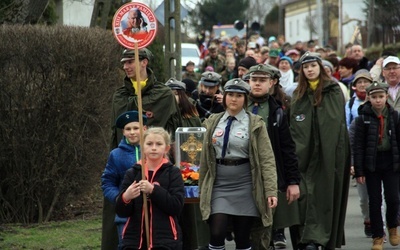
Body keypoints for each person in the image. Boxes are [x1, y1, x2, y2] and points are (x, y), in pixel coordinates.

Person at [104, 48, 181, 250]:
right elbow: (115, 136)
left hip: (160, 176)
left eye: (130, 61)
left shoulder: (163, 95)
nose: (126, 66)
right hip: (127, 183)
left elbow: (174, 131)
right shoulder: (120, 96)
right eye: (124, 63)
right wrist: (119, 196)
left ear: (144, 62)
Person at [199, 78, 278, 250]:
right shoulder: (213, 121)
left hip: (246, 184)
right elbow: (205, 159)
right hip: (219, 182)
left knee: (243, 236)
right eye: (230, 95)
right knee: (217, 232)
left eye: (239, 96)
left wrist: (271, 190)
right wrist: (201, 188)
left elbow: (267, 159)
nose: (234, 99)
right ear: (225, 96)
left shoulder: (255, 123)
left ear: (245, 99)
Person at [289, 52, 350, 250]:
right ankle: (305, 239)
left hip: (329, 156)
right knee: (304, 197)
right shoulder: (298, 95)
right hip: (304, 157)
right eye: (305, 67)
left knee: (325, 196)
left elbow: (336, 126)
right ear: (302, 71)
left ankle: (319, 239)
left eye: (313, 65)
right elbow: (296, 127)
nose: (310, 69)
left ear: (320, 67)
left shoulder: (333, 91)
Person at [247, 64, 301, 250]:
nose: (257, 84)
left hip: (268, 173)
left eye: (262, 81)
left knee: (266, 225)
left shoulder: (277, 111)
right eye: (254, 80)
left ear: (271, 83)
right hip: (242, 173)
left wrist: (292, 181)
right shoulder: (238, 104)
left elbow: (287, 148)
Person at [115, 127, 185, 250]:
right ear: (142, 147)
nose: (153, 147)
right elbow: (121, 211)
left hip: (165, 240)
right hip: (134, 240)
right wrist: (126, 197)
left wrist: (153, 190)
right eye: (149, 144)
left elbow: (176, 206)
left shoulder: (173, 173)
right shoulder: (132, 173)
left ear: (166, 148)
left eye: (158, 144)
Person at [353, 81, 400, 250]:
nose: (378, 100)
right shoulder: (362, 118)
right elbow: (358, 146)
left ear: (386, 97)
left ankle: (393, 226)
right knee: (375, 201)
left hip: (391, 162)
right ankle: (378, 236)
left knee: (393, 198)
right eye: (374, 97)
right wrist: (359, 169)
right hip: (371, 164)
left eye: (381, 97)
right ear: (369, 98)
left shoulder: (394, 116)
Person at [101, 111, 147, 250]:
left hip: (152, 213)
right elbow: (107, 182)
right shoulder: (116, 155)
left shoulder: (154, 150)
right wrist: (119, 198)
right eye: (128, 129)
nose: (132, 132)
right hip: (126, 217)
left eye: (136, 128)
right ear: (123, 132)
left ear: (144, 129)